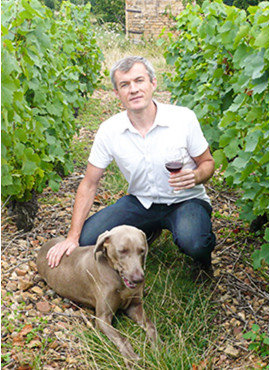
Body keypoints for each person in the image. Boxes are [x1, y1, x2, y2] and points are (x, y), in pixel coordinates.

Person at [47, 55, 216, 278]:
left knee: (195, 242)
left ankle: (202, 262)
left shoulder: (182, 119)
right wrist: (72, 236)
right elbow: (89, 183)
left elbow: (208, 163)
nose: (133, 89)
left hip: (185, 200)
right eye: (125, 85)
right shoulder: (109, 130)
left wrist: (195, 176)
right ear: (117, 94)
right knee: (88, 240)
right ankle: (147, 230)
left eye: (139, 81)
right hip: (141, 201)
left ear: (153, 83)